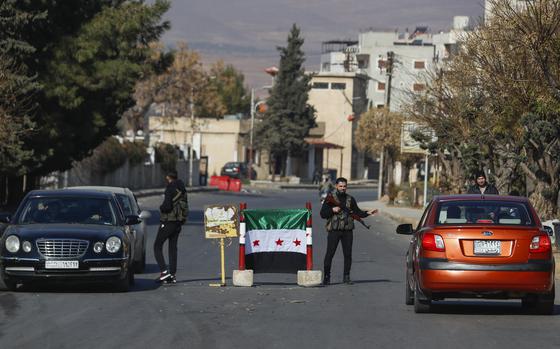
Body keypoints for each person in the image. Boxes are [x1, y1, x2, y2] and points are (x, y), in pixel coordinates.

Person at [320, 177, 377, 285]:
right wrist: (332, 210)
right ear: (336, 186)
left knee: (348, 254)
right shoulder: (330, 198)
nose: (342, 188)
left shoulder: (350, 199)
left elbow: (357, 213)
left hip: (347, 231)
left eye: (344, 186)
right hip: (334, 230)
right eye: (340, 186)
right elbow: (323, 214)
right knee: (329, 254)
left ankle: (346, 277)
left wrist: (368, 213)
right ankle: (327, 277)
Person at [154, 170, 189, 284]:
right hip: (178, 222)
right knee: (172, 248)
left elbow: (167, 206)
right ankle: (172, 275)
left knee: (157, 246)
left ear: (168, 177)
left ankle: (164, 272)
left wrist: (161, 207)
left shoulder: (170, 188)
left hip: (168, 221)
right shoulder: (182, 188)